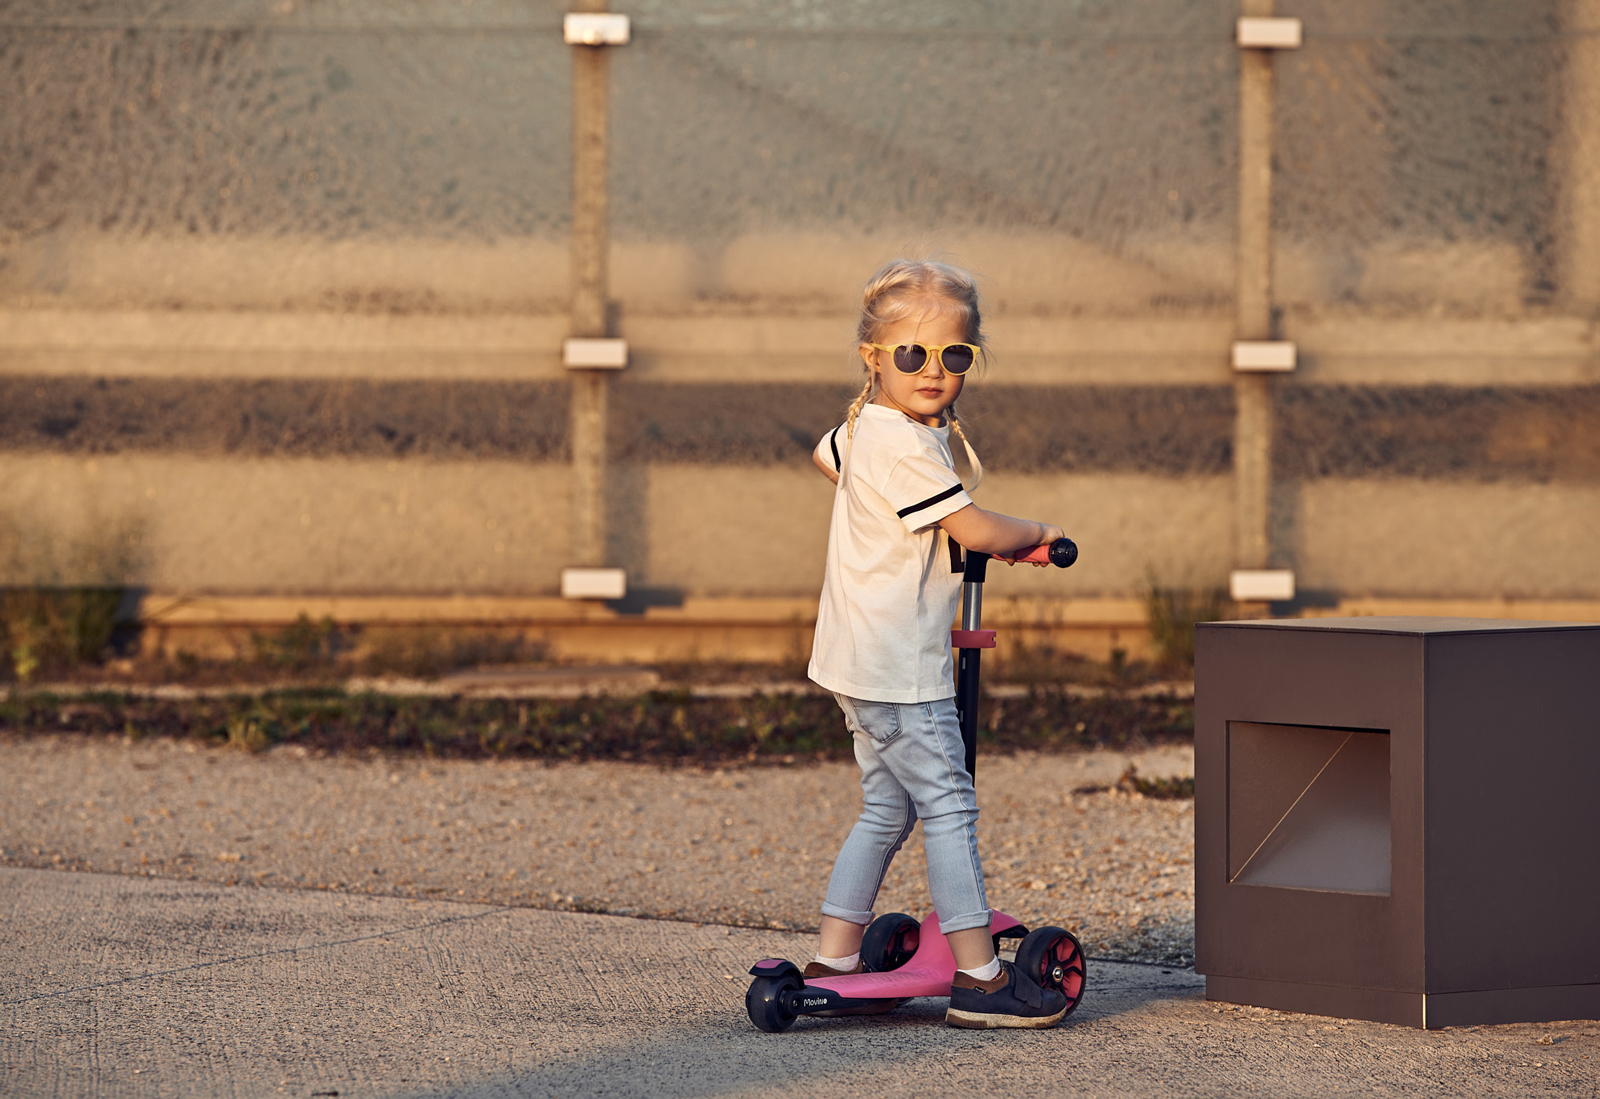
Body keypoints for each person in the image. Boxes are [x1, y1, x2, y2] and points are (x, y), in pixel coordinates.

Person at [805, 257, 1070, 1029]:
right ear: (874, 358)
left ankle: (836, 956)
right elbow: (977, 527)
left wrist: (887, 510)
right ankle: (983, 977)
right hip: (900, 666)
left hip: (854, 663)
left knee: (886, 808)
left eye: (955, 355)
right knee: (950, 805)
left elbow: (828, 458)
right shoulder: (907, 448)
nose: (934, 371)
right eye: (912, 354)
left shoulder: (864, 429)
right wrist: (1039, 536)